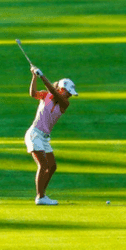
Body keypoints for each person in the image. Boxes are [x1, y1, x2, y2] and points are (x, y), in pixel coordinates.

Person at [25, 65, 78, 205]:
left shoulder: (64, 104)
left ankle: (42, 195)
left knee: (52, 166)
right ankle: (40, 197)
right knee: (43, 165)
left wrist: (42, 75)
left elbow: (53, 92)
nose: (70, 95)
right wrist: (35, 77)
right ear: (61, 89)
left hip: (44, 137)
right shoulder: (46, 95)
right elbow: (33, 93)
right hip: (34, 134)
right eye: (68, 92)